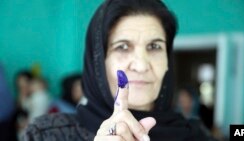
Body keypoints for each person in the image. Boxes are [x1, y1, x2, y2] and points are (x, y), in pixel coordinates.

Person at [23, 0, 216, 141]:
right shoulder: (48, 134)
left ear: (168, 61)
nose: (141, 65)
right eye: (122, 47)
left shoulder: (195, 134)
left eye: (155, 47)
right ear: (98, 63)